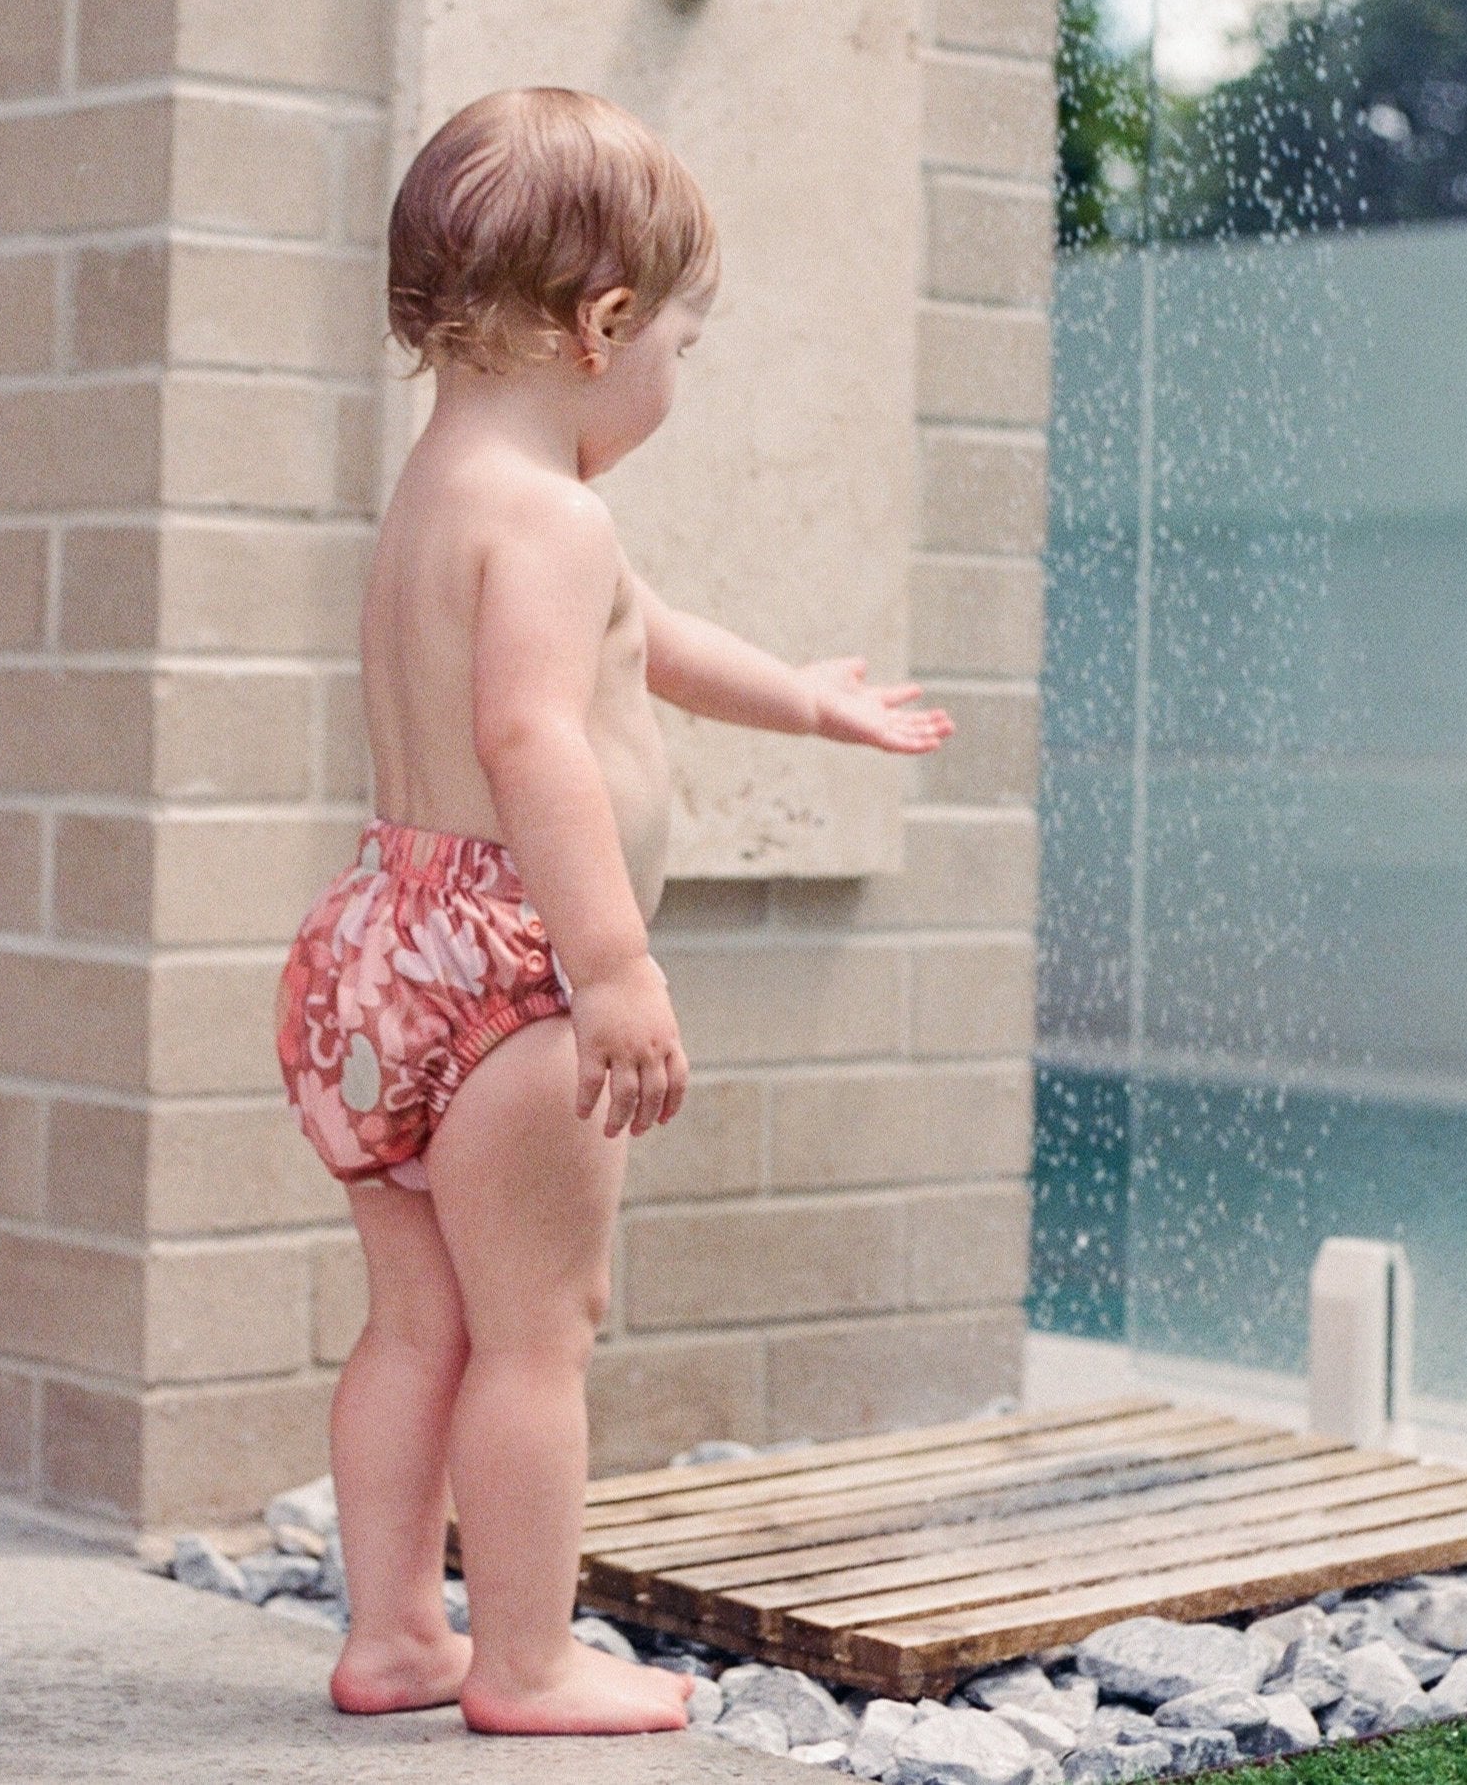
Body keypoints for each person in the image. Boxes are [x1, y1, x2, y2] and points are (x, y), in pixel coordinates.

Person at [275, 86, 953, 1735]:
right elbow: (534, 735)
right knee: (538, 1336)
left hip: (371, 953)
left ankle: (390, 1636)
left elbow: (635, 639)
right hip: (512, 977)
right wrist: (615, 966)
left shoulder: (443, 491)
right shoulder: (561, 516)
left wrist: (802, 698)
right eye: (682, 350)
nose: (674, 381)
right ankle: (521, 1661)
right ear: (607, 324)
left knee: (415, 1322)